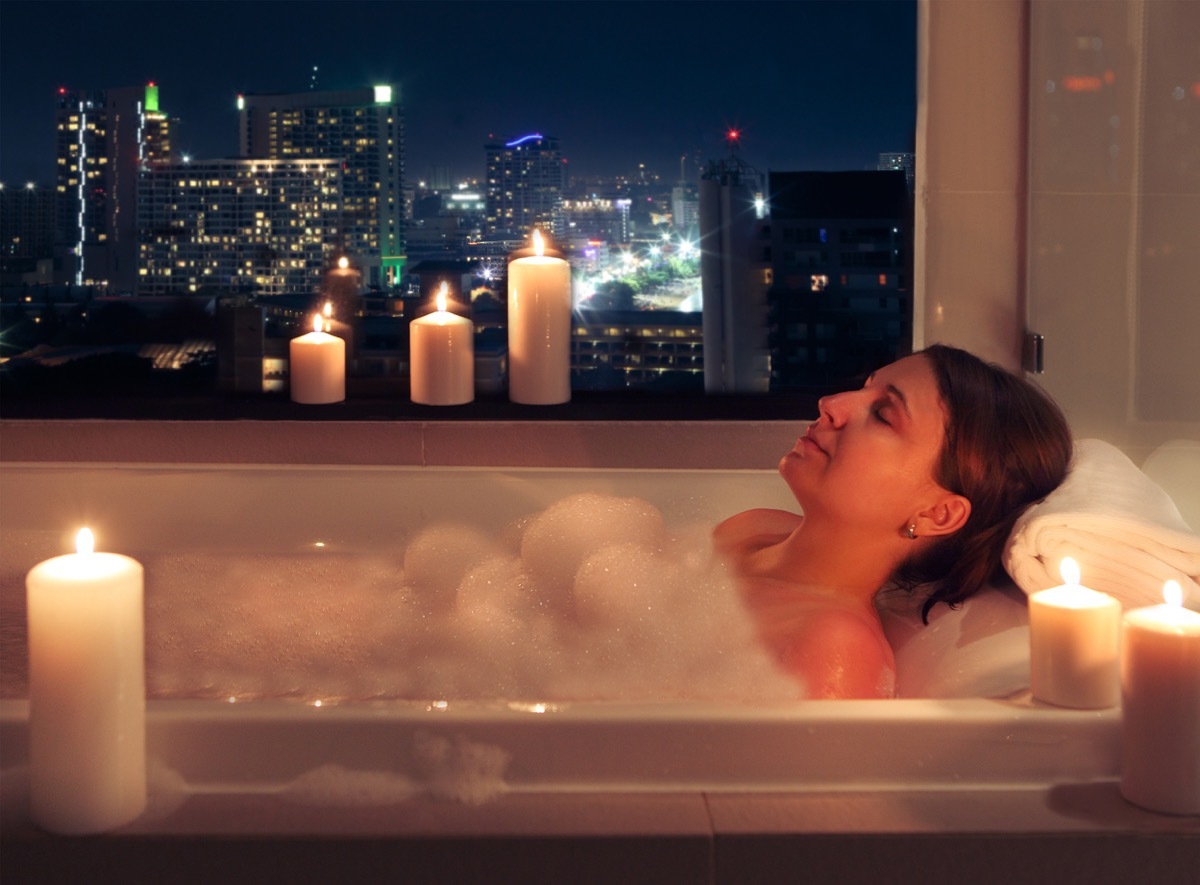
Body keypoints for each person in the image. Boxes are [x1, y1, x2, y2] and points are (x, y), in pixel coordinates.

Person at [713, 344, 1072, 699]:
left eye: (883, 415)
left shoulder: (834, 649)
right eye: (864, 388)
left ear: (936, 514)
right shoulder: (754, 527)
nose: (832, 403)